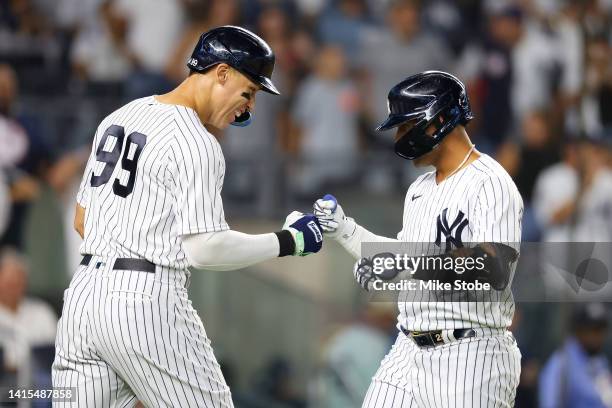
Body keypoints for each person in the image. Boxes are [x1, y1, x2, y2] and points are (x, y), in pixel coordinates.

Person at [52, 26, 324, 407]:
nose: (249, 107)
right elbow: (206, 249)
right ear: (222, 73)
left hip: (82, 299)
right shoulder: (196, 142)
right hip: (143, 299)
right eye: (249, 92)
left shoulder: (122, 114)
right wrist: (289, 241)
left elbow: (83, 221)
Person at [314, 71, 523, 406]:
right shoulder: (419, 190)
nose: (399, 136)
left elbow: (493, 271)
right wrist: (344, 229)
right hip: (407, 348)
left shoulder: (490, 182)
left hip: (469, 354)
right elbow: (404, 258)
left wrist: (404, 265)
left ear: (439, 120)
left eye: (406, 125)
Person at [539, 303, 612, 408]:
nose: (598, 337)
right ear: (579, 331)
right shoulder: (561, 363)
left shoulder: (600, 361)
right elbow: (549, 403)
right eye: (593, 330)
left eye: (601, 330)